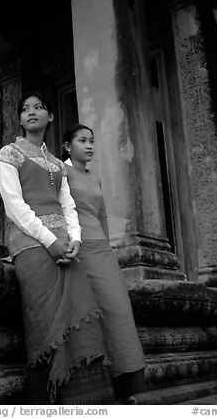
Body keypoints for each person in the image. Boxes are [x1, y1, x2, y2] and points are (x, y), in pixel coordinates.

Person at [0, 92, 112, 405]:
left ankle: (86, 401)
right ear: (20, 118)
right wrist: (51, 241)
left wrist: (75, 240)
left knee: (81, 313)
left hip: (67, 246)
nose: (31, 112)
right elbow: (14, 205)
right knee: (46, 319)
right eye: (25, 109)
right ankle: (50, 400)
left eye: (39, 107)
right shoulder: (9, 154)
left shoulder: (57, 163)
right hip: (30, 243)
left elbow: (67, 204)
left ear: (50, 116)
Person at [62, 123, 147, 404]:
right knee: (93, 316)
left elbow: (101, 216)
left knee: (120, 311)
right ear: (67, 146)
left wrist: (107, 246)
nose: (89, 146)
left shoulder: (95, 177)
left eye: (92, 141)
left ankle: (132, 387)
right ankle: (100, 390)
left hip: (102, 251)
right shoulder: (60, 172)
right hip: (79, 249)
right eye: (82, 141)